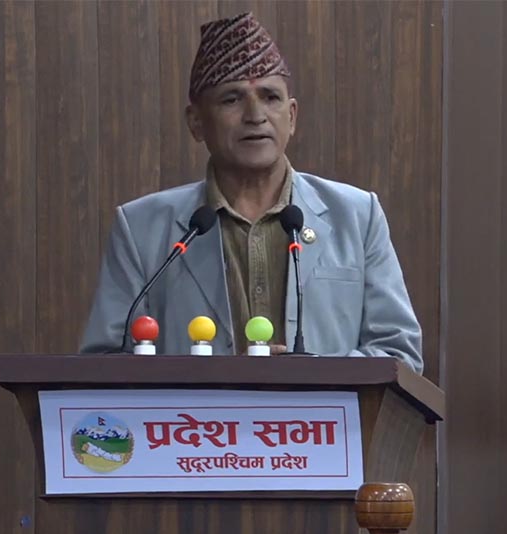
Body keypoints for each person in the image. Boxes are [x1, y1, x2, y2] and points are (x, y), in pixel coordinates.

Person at [80, 12, 423, 373]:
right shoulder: (141, 228)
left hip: (323, 413)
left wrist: (309, 377)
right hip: (195, 413)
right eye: (232, 99)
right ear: (196, 122)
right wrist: (221, 381)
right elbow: (105, 363)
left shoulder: (356, 215)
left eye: (271, 97)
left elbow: (399, 353)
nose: (255, 115)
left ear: (292, 116)